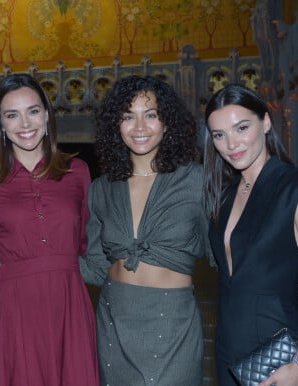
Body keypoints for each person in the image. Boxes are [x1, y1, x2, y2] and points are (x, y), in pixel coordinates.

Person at [203, 83, 298, 386]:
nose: (231, 143)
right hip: (229, 352)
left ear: (266, 122)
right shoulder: (227, 194)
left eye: (241, 127)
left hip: (282, 358)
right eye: (219, 135)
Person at [0, 73, 99, 386]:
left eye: (33, 111)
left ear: (47, 115)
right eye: (12, 115)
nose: (25, 123)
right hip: (16, 310)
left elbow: (88, 244)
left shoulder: (77, 172)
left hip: (71, 305)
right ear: (1, 124)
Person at [79, 75, 214, 385]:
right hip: (114, 321)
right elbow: (98, 266)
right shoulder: (101, 189)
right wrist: (38, 259)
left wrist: (297, 274)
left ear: (167, 123)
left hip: (174, 323)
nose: (139, 127)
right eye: (128, 116)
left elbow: (228, 250)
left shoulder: (197, 180)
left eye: (150, 114)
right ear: (116, 125)